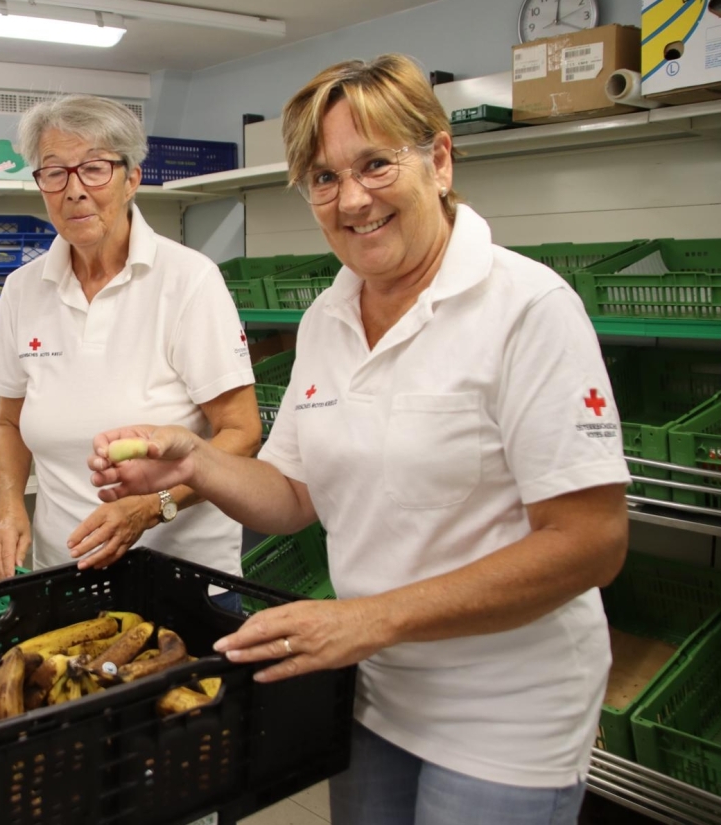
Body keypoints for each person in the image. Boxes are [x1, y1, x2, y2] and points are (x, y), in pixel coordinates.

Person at [87, 55, 630, 825]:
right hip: (373, 690)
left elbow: (591, 542)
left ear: (440, 162)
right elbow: (294, 494)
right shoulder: (327, 318)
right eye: (323, 177)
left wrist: (370, 618)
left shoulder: (528, 308)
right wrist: (196, 460)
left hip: (507, 712)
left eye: (376, 164)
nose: (351, 199)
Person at [0, 94, 262, 598]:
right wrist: (10, 508)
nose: (74, 191)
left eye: (94, 169)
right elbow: (8, 422)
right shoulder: (22, 290)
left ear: (131, 179)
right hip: (62, 574)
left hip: (182, 582)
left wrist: (153, 506)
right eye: (55, 173)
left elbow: (241, 432)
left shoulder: (188, 280)